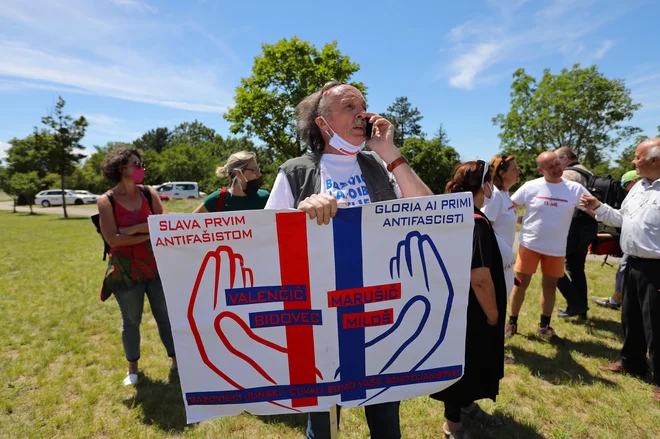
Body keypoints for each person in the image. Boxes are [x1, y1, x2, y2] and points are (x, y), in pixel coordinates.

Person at [265, 81, 432, 439]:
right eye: (349, 106)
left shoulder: (379, 166)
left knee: (386, 419)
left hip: (378, 313)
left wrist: (389, 151)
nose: (363, 113)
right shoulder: (295, 172)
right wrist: (299, 213)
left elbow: (429, 213)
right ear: (323, 123)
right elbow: (266, 246)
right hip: (318, 320)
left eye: (363, 106)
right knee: (322, 424)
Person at [431, 160, 507, 439]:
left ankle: (467, 405)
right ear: (484, 187)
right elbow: (479, 278)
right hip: (471, 309)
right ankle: (453, 427)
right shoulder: (475, 223)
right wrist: (493, 314)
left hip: (452, 304)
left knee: (467, 363)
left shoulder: (451, 216)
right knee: (464, 363)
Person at [580, 138, 660, 401]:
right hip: (633, 263)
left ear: (654, 160)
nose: (633, 161)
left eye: (637, 157)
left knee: (656, 324)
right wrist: (598, 208)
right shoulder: (637, 188)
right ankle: (632, 363)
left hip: (657, 267)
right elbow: (622, 219)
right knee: (631, 317)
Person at [98, 147, 176, 386]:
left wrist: (133, 229)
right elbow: (113, 240)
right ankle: (133, 368)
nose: (141, 167)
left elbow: (163, 222)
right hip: (125, 270)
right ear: (122, 168)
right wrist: (147, 232)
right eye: (136, 163)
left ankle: (176, 362)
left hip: (155, 265)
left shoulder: (148, 192)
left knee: (165, 316)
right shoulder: (106, 200)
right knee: (131, 320)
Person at [505, 152, 591, 339]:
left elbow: (594, 209)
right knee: (520, 285)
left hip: (556, 248)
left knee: (550, 288)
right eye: (550, 166)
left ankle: (544, 326)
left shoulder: (574, 188)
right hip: (530, 244)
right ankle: (512, 322)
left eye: (557, 163)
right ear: (540, 170)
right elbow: (508, 205)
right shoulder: (531, 186)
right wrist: (518, 218)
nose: (556, 168)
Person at [554, 146, 598, 320]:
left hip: (573, 225)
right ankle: (581, 310)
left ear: (565, 159)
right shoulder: (588, 172)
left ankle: (576, 303)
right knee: (577, 269)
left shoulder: (568, 175)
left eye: (557, 161)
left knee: (553, 265)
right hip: (589, 225)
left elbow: (562, 202)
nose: (555, 166)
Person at [591, 170, 641, 310]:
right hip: (634, 246)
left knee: (624, 269)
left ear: (635, 181)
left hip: (644, 249)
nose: (625, 190)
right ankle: (618, 299)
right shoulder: (634, 197)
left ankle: (616, 301)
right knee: (623, 269)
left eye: (626, 185)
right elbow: (621, 218)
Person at [193, 151, 269, 213]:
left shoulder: (264, 197)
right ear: (238, 172)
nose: (259, 174)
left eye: (258, 169)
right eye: (254, 170)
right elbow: (189, 226)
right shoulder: (217, 199)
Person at [482, 154, 520, 249]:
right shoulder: (495, 195)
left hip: (504, 257)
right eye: (514, 168)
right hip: (495, 257)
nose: (518, 171)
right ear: (502, 173)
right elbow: (484, 229)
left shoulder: (504, 193)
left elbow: (504, 218)